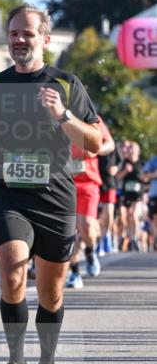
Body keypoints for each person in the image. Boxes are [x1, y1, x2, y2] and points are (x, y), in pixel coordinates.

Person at [0, 4, 101, 364]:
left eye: (27, 34)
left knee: (51, 292)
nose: (18, 40)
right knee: (11, 269)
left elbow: (94, 142)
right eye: (13, 33)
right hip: (8, 193)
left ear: (45, 39)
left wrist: (63, 115)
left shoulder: (66, 84)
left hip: (55, 196)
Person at [65, 116, 115, 289]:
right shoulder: (51, 114)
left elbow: (110, 144)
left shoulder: (89, 115)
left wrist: (97, 149)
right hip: (64, 183)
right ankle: (75, 272)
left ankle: (90, 250)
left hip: (88, 182)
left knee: (85, 225)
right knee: (67, 232)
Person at [116, 140, 144, 251]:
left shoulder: (141, 163)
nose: (130, 150)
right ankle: (124, 237)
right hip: (125, 193)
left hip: (137, 194)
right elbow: (118, 177)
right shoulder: (124, 162)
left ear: (137, 150)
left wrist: (143, 177)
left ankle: (134, 239)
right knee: (123, 218)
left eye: (133, 148)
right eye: (130, 148)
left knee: (133, 215)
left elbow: (145, 179)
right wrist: (125, 172)